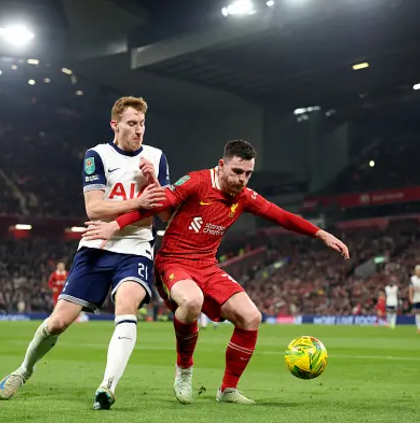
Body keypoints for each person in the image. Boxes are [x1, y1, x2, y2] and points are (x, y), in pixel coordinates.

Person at [82, 140, 349, 404]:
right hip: (174, 262)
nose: (242, 179)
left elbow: (282, 217)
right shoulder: (196, 182)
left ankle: (228, 390)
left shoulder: (244, 197)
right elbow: (155, 203)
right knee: (191, 301)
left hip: (208, 266)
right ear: (221, 166)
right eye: (236, 172)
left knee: (251, 317)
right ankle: (184, 370)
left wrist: (320, 234)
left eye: (248, 174)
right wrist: (115, 225)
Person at [0, 96, 170, 410]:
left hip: (136, 248)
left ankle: (107, 387)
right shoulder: (97, 155)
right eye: (132, 123)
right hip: (96, 247)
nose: (139, 130)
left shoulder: (157, 157)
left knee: (127, 304)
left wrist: (154, 182)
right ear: (115, 125)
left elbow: (168, 216)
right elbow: (94, 208)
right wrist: (140, 202)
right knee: (58, 323)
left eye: (142, 124)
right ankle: (24, 370)